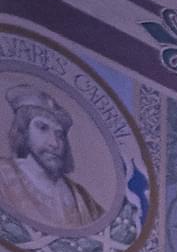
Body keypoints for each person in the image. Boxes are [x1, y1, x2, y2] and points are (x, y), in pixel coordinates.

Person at [0, 85, 102, 230]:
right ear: (23, 130)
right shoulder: (4, 175)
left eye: (60, 134)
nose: (54, 144)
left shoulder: (81, 197)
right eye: (42, 128)